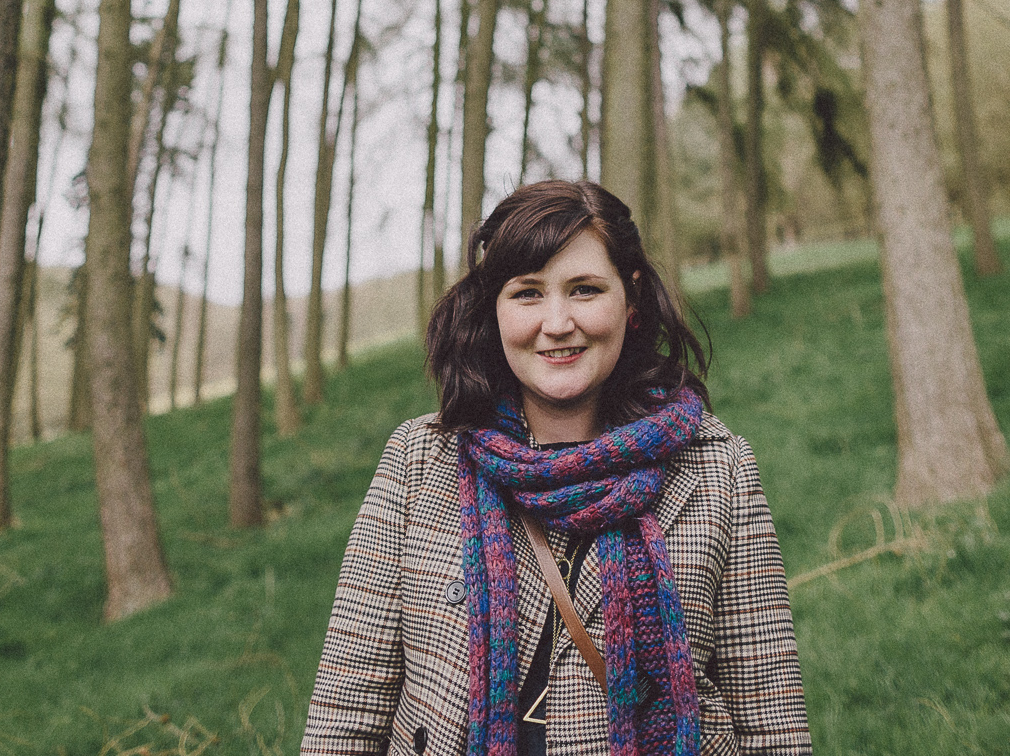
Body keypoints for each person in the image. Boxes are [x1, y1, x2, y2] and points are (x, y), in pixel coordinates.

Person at [301, 180, 811, 756]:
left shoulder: (719, 470)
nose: (558, 321)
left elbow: (772, 723)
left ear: (631, 297)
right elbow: (347, 711)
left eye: (585, 289)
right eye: (528, 294)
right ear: (493, 308)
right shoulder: (420, 461)